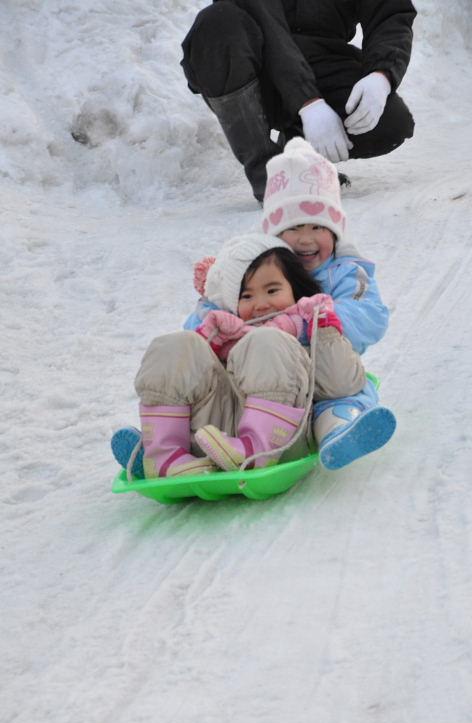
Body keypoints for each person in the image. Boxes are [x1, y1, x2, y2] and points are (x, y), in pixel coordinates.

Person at [111, 233, 368, 479]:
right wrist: (207, 347)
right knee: (176, 344)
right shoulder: (224, 334)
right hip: (214, 442)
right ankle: (164, 457)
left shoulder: (307, 329)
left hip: (283, 442)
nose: (260, 304)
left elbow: (341, 384)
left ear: (294, 288)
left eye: (272, 290)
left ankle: (255, 449)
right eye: (246, 296)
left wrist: (324, 331)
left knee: (266, 341)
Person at [181, 0, 416, 202]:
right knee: (217, 23)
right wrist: (308, 102)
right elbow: (269, 26)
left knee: (391, 122)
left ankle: (299, 152)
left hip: (322, 60)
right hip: (249, 65)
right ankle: (269, 174)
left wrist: (382, 74)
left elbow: (390, 11)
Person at [259, 136, 396, 469]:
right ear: (273, 235)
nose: (306, 239)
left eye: (319, 226)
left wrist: (309, 320)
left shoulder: (348, 272)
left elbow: (371, 316)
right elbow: (213, 319)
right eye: (293, 228)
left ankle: (340, 431)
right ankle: (167, 445)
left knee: (346, 394)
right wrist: (210, 301)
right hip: (268, 384)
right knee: (222, 401)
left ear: (336, 231)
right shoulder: (258, 271)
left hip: (328, 377)